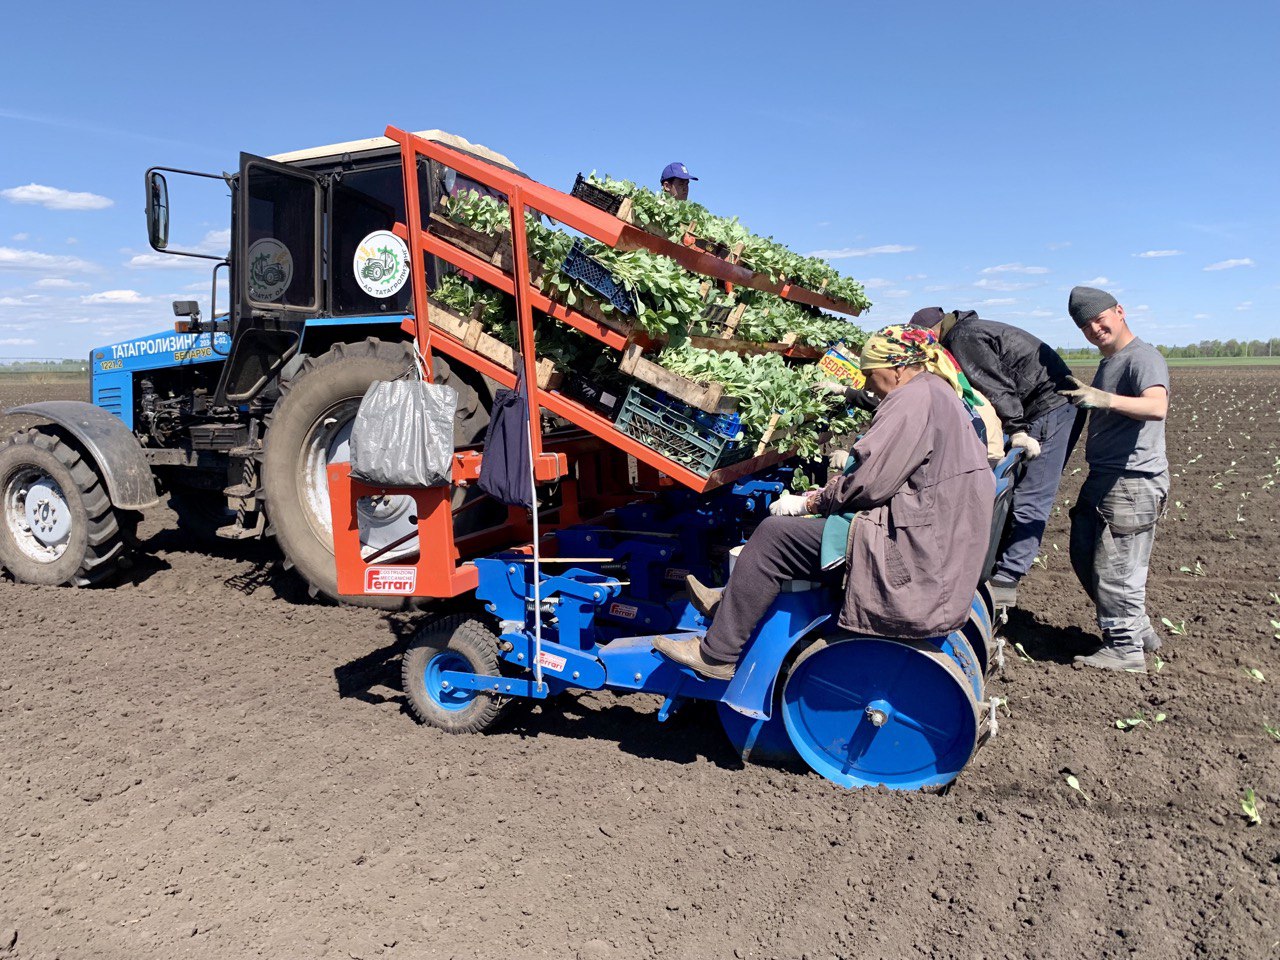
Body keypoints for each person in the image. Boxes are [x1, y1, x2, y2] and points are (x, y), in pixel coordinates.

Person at [654, 325, 995, 680]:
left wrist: (813, 501)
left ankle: (717, 655)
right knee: (804, 530)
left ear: (895, 367)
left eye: (869, 374)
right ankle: (728, 604)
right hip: (934, 542)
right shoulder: (937, 390)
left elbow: (870, 485)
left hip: (912, 553)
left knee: (774, 536)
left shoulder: (911, 400)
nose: (867, 385)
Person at [908, 306, 1083, 607]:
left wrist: (1016, 429)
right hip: (1043, 406)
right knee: (1012, 488)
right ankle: (996, 567)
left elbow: (995, 386)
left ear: (934, 332)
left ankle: (1006, 581)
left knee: (1033, 493)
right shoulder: (966, 332)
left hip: (1051, 407)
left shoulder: (962, 338)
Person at [1059, 286, 1170, 672]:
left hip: (1132, 481)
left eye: (1099, 318)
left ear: (1119, 311)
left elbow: (1157, 406)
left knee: (1115, 566)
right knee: (1086, 553)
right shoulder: (1112, 361)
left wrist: (1104, 400)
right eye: (1085, 325)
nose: (1094, 328)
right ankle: (1138, 631)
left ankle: (1124, 647)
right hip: (1106, 478)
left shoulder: (1142, 357)